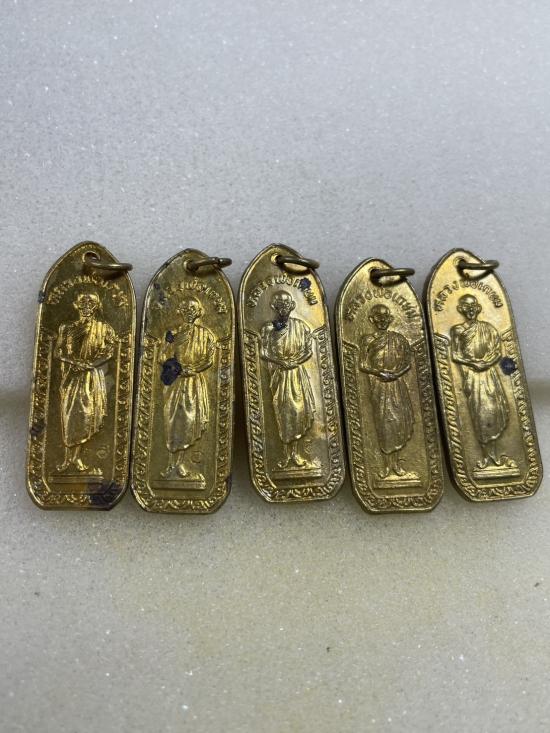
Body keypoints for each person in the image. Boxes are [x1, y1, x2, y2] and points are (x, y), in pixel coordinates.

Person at [55, 291, 116, 473]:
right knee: (69, 416)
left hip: (90, 378)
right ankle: (67, 459)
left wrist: (91, 364)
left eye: (91, 304)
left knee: (85, 417)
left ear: (96, 307)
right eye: (83, 304)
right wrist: (75, 363)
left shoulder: (104, 328)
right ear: (77, 306)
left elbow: (109, 351)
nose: (87, 308)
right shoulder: (67, 328)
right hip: (71, 377)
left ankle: (76, 458)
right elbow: (58, 352)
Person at [451, 294, 509, 469]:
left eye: (473, 307)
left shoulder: (488, 328)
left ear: (478, 308)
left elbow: (497, 352)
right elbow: (455, 355)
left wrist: (486, 363)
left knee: (495, 411)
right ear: (460, 309)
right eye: (466, 307)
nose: (470, 310)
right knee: (479, 414)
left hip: (490, 375)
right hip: (472, 377)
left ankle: (495, 456)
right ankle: (485, 456)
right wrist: (474, 363)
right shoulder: (458, 330)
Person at [159, 296, 215, 478]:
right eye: (185, 309)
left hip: (193, 383)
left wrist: (192, 369)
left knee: (188, 422)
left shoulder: (205, 334)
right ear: (180, 312)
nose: (189, 313)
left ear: (198, 312)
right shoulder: (173, 334)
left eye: (193, 309)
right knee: (172, 422)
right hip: (175, 383)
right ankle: (170, 463)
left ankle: (181, 463)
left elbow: (208, 359)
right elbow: (162, 358)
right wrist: (167, 344)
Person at [260, 290, 316, 470]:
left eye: (286, 304)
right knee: (283, 414)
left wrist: (295, 361)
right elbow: (264, 353)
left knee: (299, 413)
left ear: (292, 306)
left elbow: (308, 351)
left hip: (297, 375)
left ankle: (296, 454)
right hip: (280, 376)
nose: (283, 308)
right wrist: (281, 362)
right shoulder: (268, 328)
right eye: (279, 304)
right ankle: (285, 455)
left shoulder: (301, 326)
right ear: (273, 306)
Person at [359, 304, 414, 478]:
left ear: (390, 319)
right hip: (379, 386)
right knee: (383, 424)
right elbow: (363, 365)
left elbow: (408, 363)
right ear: (372, 319)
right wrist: (379, 373)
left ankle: (396, 464)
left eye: (385, 317)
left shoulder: (398, 339)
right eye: (378, 317)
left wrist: (396, 374)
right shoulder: (368, 340)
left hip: (397, 385)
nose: (382, 321)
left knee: (399, 423)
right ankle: (386, 465)